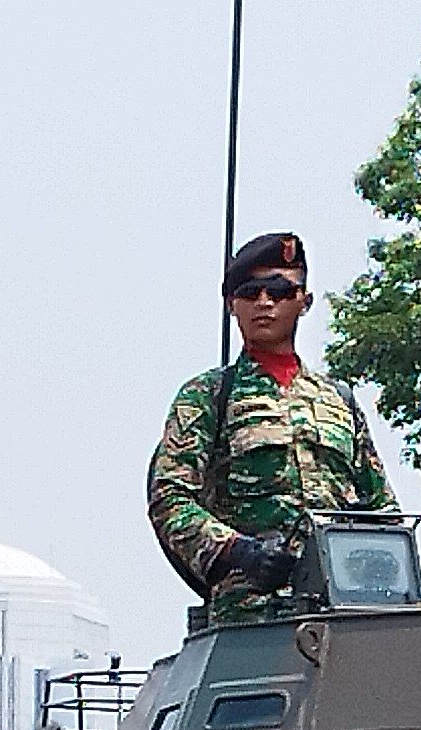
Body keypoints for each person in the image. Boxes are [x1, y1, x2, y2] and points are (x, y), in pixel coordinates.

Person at [144, 231, 394, 629]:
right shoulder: (209, 396)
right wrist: (239, 551)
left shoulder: (339, 400)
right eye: (250, 291)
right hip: (249, 618)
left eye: (279, 290)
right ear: (231, 305)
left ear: (304, 301)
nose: (264, 302)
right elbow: (169, 500)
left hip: (346, 613)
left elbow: (381, 510)